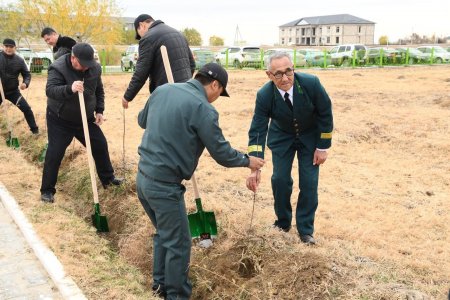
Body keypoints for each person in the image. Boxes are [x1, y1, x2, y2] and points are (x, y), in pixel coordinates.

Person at [136, 63, 265, 299]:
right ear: (214, 85)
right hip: (164, 186)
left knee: (165, 234)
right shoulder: (203, 108)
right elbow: (221, 153)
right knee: (180, 243)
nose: (217, 98)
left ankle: (160, 286)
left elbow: (142, 121)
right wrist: (248, 161)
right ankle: (176, 295)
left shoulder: (162, 90)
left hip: (143, 178)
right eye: (220, 92)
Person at [246, 51, 333, 245]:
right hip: (282, 137)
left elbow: (325, 112)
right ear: (269, 75)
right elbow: (258, 129)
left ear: (294, 69)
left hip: (310, 137)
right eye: (278, 74)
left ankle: (306, 230)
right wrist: (255, 165)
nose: (285, 78)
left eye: (288, 71)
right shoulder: (264, 95)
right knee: (280, 180)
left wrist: (322, 146)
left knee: (309, 182)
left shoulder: (311, 84)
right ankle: (283, 223)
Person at [40, 43, 122, 203]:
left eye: (88, 64)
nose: (86, 68)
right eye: (82, 65)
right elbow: (50, 90)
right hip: (60, 119)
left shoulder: (94, 68)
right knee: (55, 153)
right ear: (73, 58)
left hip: (85, 118)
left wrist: (99, 110)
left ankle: (108, 180)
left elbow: (99, 90)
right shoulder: (57, 68)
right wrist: (69, 88)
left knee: (99, 144)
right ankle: (47, 190)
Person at [122, 14, 195, 109]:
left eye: (139, 34)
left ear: (142, 25)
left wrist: (127, 96)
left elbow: (141, 73)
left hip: (166, 95)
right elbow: (192, 65)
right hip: (187, 92)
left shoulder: (148, 38)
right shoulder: (179, 34)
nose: (141, 38)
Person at [0, 38, 39, 134]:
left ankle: (35, 131)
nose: (8, 49)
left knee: (27, 109)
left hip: (13, 92)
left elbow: (27, 74)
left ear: (15, 48)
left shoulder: (19, 61)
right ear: (2, 46)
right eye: (6, 46)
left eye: (11, 47)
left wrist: (25, 83)